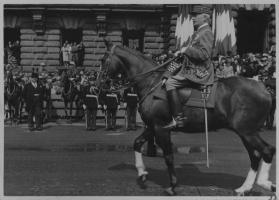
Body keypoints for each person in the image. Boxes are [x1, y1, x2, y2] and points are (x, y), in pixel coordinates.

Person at [163, 5, 214, 128]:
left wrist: (186, 50)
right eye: (193, 15)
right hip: (189, 68)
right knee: (168, 79)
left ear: (205, 18)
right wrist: (167, 73)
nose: (193, 18)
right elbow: (186, 55)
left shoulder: (206, 32)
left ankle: (178, 118)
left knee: (170, 83)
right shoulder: (198, 33)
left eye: (196, 15)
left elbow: (204, 55)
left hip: (200, 71)